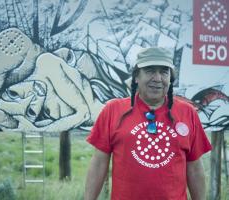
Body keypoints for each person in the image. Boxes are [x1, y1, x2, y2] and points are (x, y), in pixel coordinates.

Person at [84, 47, 212, 200]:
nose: (157, 78)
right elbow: (99, 162)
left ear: (170, 78)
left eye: (164, 72)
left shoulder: (188, 112)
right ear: (136, 76)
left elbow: (195, 169)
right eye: (150, 70)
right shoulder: (113, 110)